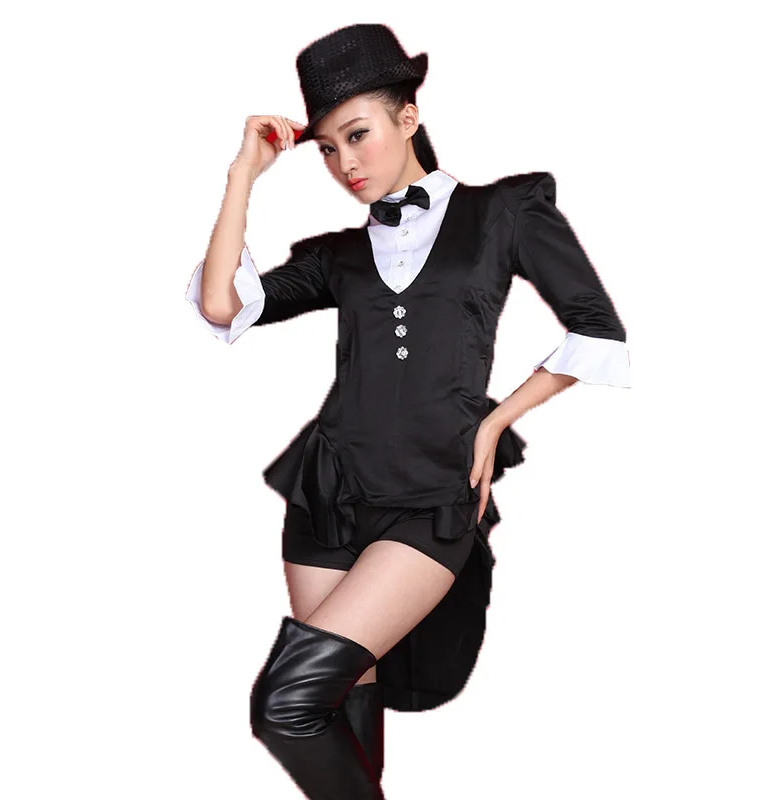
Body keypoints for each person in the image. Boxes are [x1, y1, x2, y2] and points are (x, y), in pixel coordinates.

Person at [185, 23, 632, 800]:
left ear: (408, 116)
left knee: (285, 704)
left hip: (432, 493)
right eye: (327, 148)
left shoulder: (503, 213)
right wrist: (242, 175)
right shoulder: (337, 254)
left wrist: (497, 419)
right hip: (329, 491)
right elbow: (222, 303)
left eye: (357, 135)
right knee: (332, 706)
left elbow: (597, 330)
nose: (345, 164)